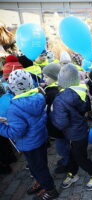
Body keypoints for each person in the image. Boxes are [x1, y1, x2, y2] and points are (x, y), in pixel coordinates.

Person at [0, 69, 59, 199]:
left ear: (12, 87)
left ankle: (50, 190)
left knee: (38, 168)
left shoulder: (14, 108)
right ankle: (41, 182)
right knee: (40, 164)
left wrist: (1, 126)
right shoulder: (38, 96)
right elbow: (32, 118)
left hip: (29, 144)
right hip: (41, 137)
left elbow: (16, 132)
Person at [51, 64, 92, 190]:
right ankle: (73, 173)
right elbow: (86, 108)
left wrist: (52, 113)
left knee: (80, 157)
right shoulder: (81, 90)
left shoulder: (59, 99)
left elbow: (61, 123)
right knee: (73, 153)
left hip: (74, 133)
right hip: (81, 129)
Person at [42, 63, 70, 174]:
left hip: (58, 125)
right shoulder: (58, 88)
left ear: (54, 77)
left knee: (61, 146)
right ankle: (66, 159)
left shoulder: (53, 92)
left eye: (46, 77)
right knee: (63, 144)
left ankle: (68, 163)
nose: (44, 79)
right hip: (60, 125)